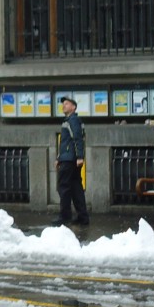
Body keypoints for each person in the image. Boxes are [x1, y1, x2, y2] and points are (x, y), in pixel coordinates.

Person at [55, 96, 89, 226]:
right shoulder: (70, 120)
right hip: (69, 158)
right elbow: (65, 143)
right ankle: (82, 217)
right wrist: (59, 158)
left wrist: (80, 156)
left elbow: (78, 139)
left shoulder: (73, 120)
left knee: (63, 187)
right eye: (63, 104)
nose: (64, 105)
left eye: (67, 103)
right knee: (76, 188)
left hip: (70, 160)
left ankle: (65, 216)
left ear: (73, 107)